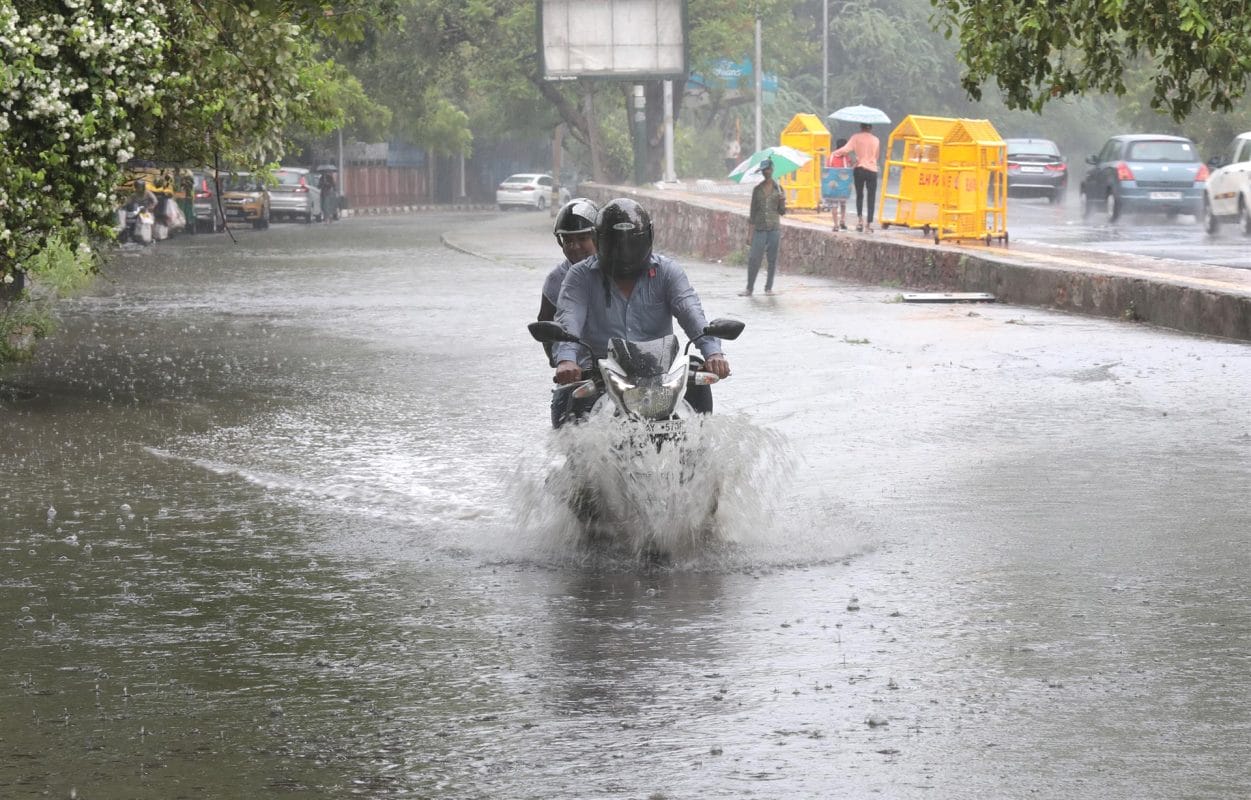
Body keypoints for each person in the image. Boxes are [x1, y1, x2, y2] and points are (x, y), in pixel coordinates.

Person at [552, 197, 731, 427]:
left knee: (698, 388)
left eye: (631, 244)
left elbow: (691, 312)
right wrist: (567, 361)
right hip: (600, 373)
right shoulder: (579, 276)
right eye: (616, 245)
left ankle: (699, 445)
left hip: (660, 375)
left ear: (648, 238)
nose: (624, 252)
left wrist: (714, 354)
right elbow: (569, 319)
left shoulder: (668, 272)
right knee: (566, 410)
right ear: (600, 240)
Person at [741, 159, 786, 297]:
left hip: (774, 229)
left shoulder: (779, 189)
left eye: (767, 169)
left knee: (772, 259)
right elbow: (752, 213)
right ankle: (749, 288)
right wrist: (750, 234)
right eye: (763, 171)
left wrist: (782, 201)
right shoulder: (757, 190)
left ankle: (768, 288)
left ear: (772, 170)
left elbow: (782, 212)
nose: (766, 172)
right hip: (760, 229)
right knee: (754, 258)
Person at [831, 123, 881, 232]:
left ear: (861, 127)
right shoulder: (876, 140)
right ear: (871, 128)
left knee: (859, 195)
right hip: (872, 170)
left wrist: (834, 153)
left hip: (860, 169)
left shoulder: (855, 137)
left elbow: (845, 150)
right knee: (871, 197)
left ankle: (860, 222)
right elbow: (876, 156)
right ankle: (868, 225)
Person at [826, 138, 852, 231]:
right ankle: (842, 221)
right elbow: (849, 170)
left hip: (833, 184)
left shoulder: (831, 156)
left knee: (834, 205)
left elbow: (827, 169)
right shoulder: (846, 157)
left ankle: (836, 225)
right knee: (843, 204)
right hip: (843, 184)